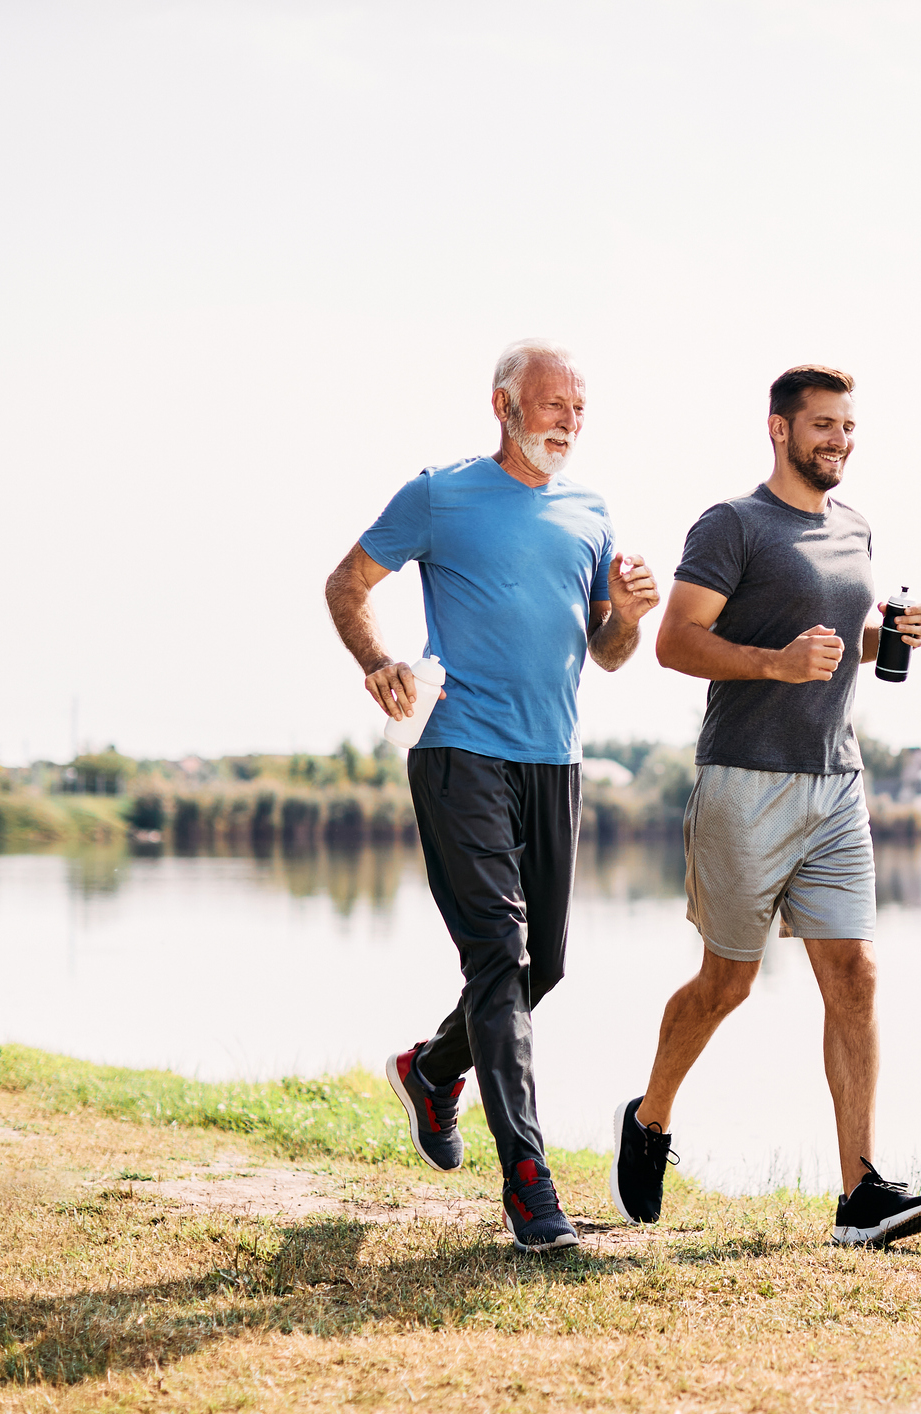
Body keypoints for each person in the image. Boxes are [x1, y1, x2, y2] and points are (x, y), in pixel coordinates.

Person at [324, 338, 660, 1252]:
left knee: (540, 965)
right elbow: (347, 583)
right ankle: (528, 1183)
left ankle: (432, 1071)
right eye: (553, 404)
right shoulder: (441, 493)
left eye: (579, 409)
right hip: (458, 749)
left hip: (554, 759)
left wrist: (626, 614)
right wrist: (380, 661)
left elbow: (608, 651)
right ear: (504, 405)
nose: (568, 422)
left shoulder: (592, 512)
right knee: (498, 959)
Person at [607, 364, 921, 1248]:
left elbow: (833, 647)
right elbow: (675, 643)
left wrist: (884, 638)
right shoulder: (732, 524)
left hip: (836, 781)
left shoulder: (856, 528)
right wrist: (772, 663)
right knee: (727, 984)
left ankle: (859, 1193)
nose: (838, 440)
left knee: (855, 976)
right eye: (822, 425)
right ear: (779, 429)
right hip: (743, 781)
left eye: (847, 426)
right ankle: (648, 1118)